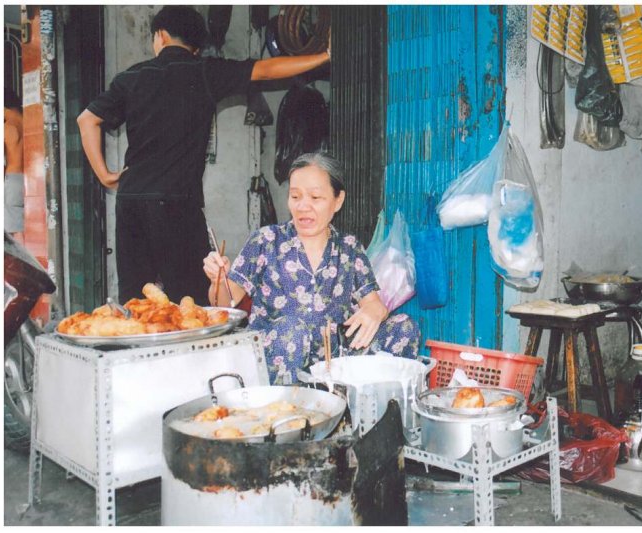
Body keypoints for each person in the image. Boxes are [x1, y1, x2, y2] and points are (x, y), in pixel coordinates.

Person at [77, 6, 331, 306]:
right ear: (195, 47)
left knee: (137, 301)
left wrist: (105, 174)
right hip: (177, 205)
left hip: (132, 201)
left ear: (160, 35)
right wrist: (325, 55)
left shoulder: (130, 78)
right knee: (191, 301)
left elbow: (86, 119)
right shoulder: (205, 70)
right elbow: (265, 69)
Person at [203, 152, 421, 384]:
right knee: (292, 330)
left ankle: (370, 409)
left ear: (338, 201)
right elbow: (224, 304)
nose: (303, 206)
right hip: (276, 358)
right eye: (295, 196)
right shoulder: (265, 241)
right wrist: (218, 279)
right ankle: (285, 412)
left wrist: (376, 312)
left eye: (315, 197)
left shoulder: (348, 248)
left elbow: (374, 304)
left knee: (403, 327)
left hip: (332, 361)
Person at [4, 88, 24, 242]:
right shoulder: (27, 120)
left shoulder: (8, 127)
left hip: (13, 179)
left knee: (11, 231)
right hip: (27, 178)